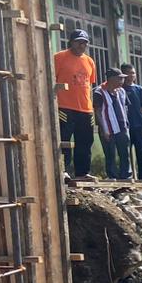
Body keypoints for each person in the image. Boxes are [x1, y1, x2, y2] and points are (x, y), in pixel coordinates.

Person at [54, 28, 96, 177]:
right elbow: (51, 80)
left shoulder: (89, 61)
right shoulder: (59, 57)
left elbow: (89, 85)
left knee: (85, 141)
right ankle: (63, 170)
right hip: (65, 106)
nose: (82, 46)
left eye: (85, 43)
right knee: (64, 140)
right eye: (79, 42)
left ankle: (83, 172)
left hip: (85, 109)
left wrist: (90, 106)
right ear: (71, 42)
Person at [92, 67, 131, 180]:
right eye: (119, 79)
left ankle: (126, 176)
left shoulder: (122, 91)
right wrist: (104, 130)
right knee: (110, 153)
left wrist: (126, 123)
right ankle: (112, 175)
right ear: (111, 79)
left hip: (122, 126)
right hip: (107, 127)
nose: (122, 81)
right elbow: (98, 111)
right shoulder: (99, 91)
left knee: (124, 153)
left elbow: (125, 107)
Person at [120, 62, 142, 180]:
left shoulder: (140, 90)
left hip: (138, 126)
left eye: (132, 73)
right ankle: (126, 177)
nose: (130, 75)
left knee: (141, 153)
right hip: (123, 127)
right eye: (127, 73)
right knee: (124, 153)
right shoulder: (119, 89)